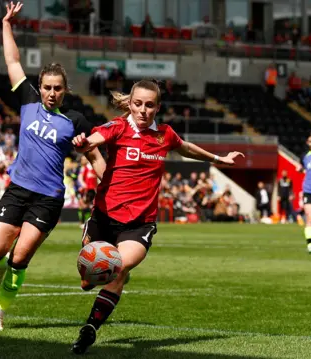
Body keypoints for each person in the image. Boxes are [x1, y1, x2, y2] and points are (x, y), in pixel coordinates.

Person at [69, 79, 244, 354]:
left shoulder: (165, 134)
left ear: (157, 107)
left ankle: (90, 328)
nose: (143, 110)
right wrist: (84, 143)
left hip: (139, 223)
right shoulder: (118, 127)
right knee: (86, 282)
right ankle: (109, 275)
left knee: (117, 268)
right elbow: (94, 138)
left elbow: (185, 147)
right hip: (103, 216)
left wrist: (217, 159)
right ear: (130, 104)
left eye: (149, 105)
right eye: (137, 104)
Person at [0, 1, 105, 332]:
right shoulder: (27, 100)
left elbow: (94, 156)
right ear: (41, 86)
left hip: (47, 198)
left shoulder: (75, 120)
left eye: (57, 88)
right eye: (47, 87)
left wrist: (108, 186)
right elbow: (12, 60)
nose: (51, 93)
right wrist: (6, 23)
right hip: (18, 189)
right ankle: (0, 265)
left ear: (65, 91)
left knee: (20, 259)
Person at [77, 155, 97, 229]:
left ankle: (88, 221)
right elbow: (80, 178)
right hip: (87, 190)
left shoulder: (93, 168)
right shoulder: (85, 168)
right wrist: (84, 185)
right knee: (84, 205)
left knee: (92, 206)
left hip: (93, 189)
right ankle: (82, 222)